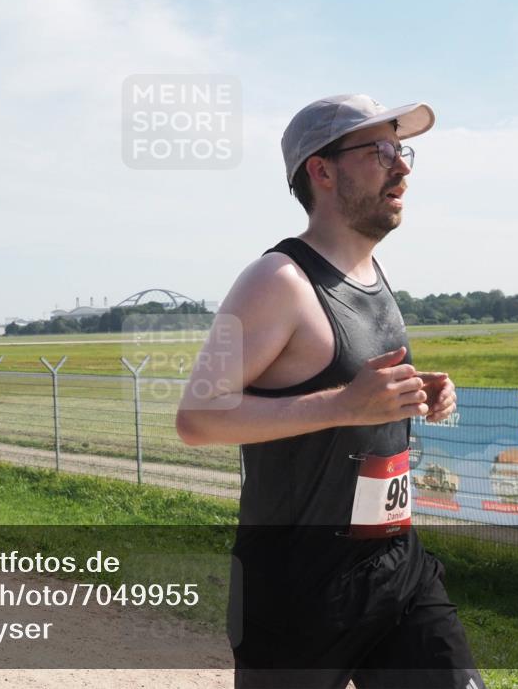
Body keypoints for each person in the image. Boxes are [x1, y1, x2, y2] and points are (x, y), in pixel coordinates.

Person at [175, 95, 485, 689]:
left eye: (402, 149)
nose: (403, 167)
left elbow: (349, 390)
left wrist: (415, 393)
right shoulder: (278, 280)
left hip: (394, 564)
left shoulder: (372, 274)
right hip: (295, 583)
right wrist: (346, 403)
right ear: (322, 170)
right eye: (381, 151)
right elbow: (197, 418)